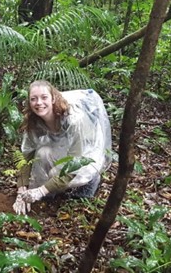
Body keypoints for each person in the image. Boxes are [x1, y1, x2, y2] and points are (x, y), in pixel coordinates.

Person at [13, 80, 112, 215]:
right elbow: (26, 156)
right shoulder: (34, 122)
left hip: (87, 150)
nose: (39, 103)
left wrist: (41, 190)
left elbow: (75, 162)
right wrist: (22, 190)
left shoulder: (74, 120)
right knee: (43, 153)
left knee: (62, 173)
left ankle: (90, 181)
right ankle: (52, 190)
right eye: (33, 99)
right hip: (62, 146)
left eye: (44, 97)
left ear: (53, 98)